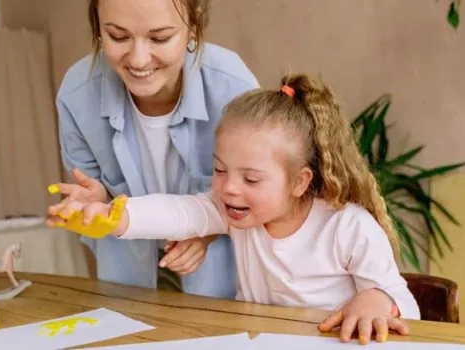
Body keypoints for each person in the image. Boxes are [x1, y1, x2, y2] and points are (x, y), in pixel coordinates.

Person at [47, 73, 421, 345]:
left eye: (252, 179)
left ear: (299, 182)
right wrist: (113, 215)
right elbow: (179, 213)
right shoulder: (236, 213)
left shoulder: (347, 227)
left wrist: (376, 298)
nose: (229, 188)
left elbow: (407, 306)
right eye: (219, 170)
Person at [50, 0, 259, 298]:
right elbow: (97, 198)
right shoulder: (77, 95)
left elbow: (261, 198)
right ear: (98, 27)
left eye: (160, 38)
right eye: (118, 37)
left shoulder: (233, 88)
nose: (138, 59)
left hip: (221, 287)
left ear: (193, 26)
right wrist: (99, 201)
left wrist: (207, 231)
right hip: (127, 282)